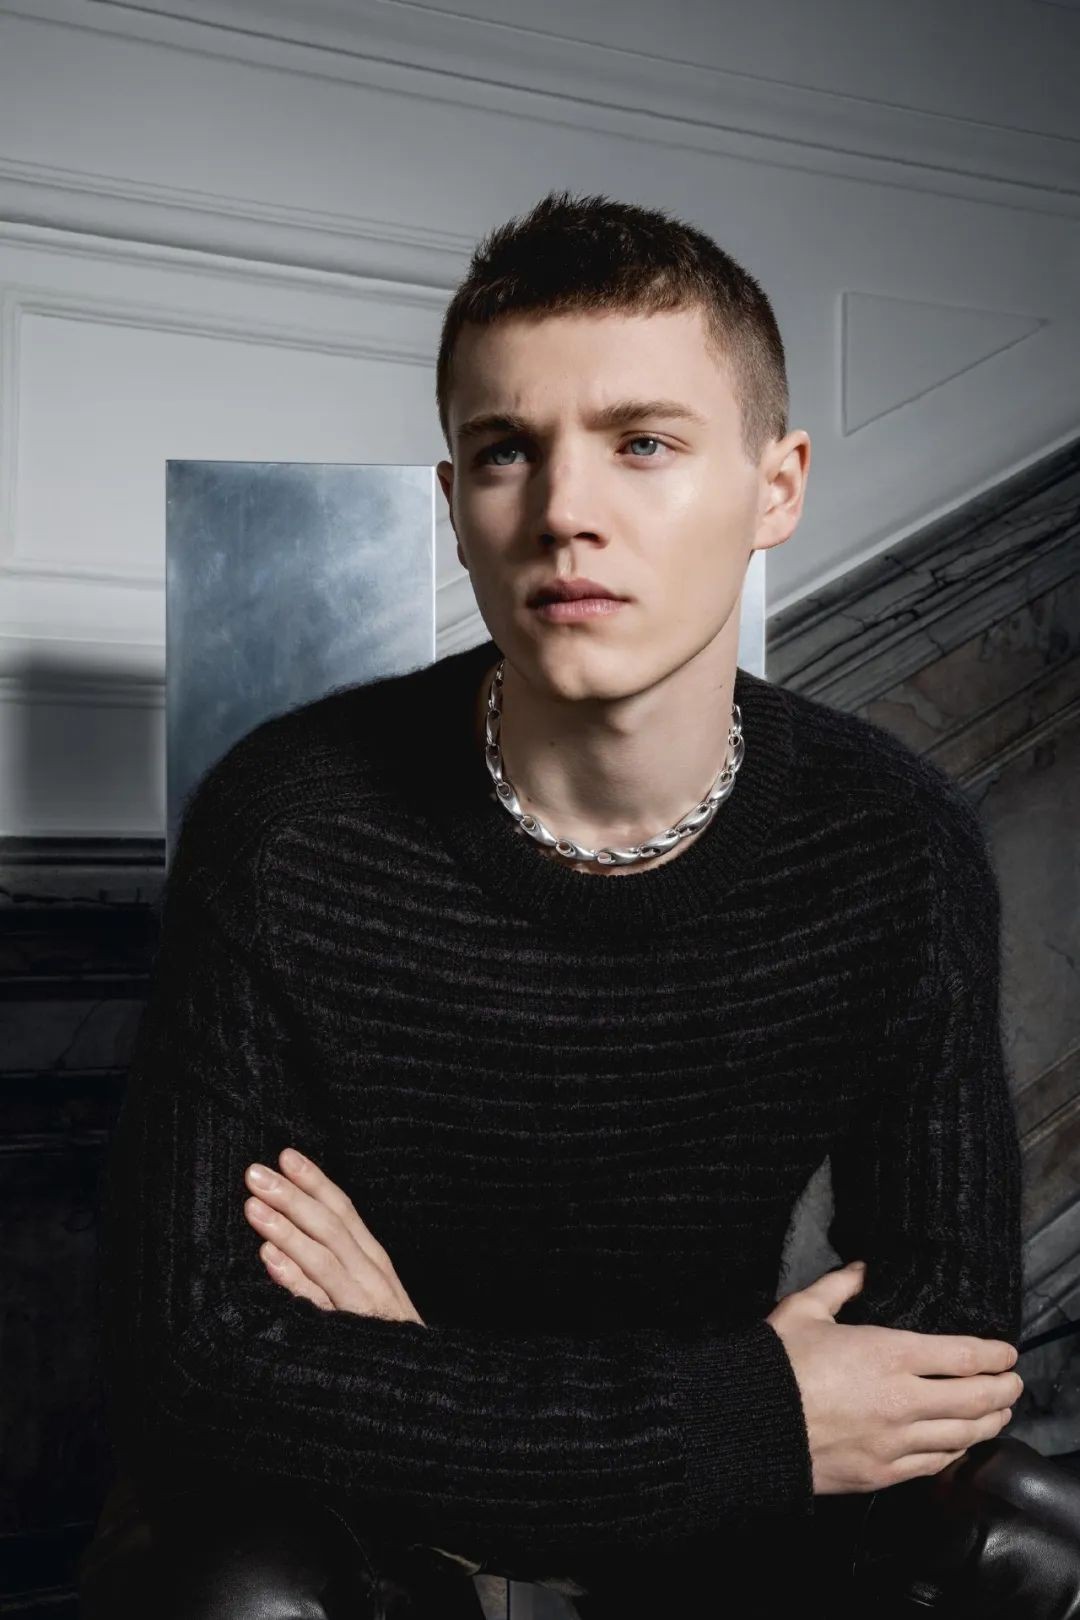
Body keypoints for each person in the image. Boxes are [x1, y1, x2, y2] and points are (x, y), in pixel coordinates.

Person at [81, 189, 1037, 1619]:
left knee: (1030, 1535)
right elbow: (192, 1354)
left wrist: (423, 1381)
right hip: (370, 1525)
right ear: (455, 502)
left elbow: (946, 1347)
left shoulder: (893, 842)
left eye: (643, 443)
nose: (564, 513)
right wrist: (734, 1417)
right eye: (505, 451)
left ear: (777, 489)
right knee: (228, 1592)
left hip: (682, 1519)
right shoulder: (290, 824)